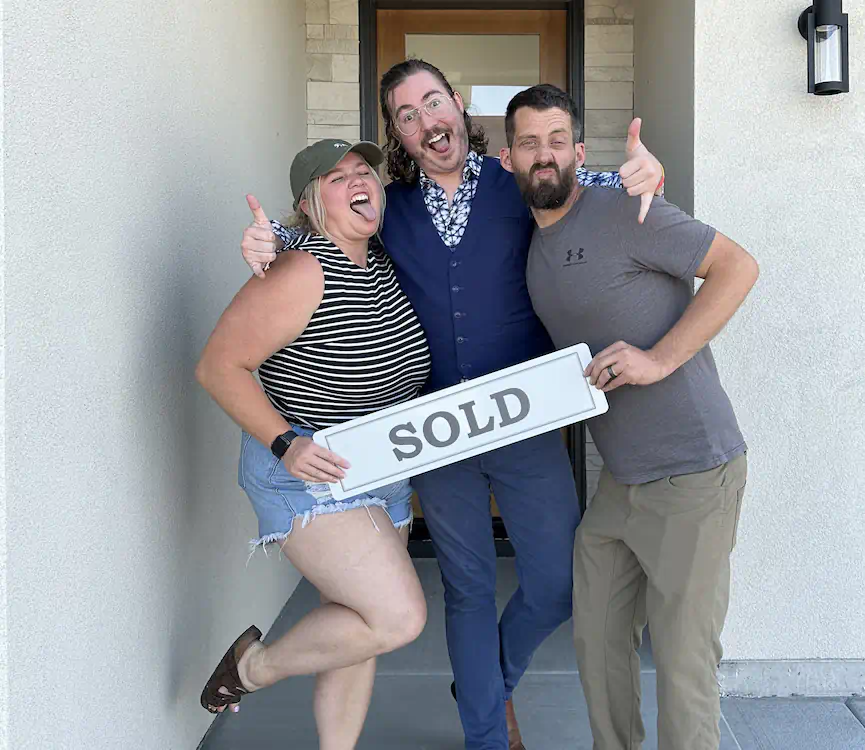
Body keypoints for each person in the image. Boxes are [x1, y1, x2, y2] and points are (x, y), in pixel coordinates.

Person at [239, 59, 665, 750]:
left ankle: (486, 686)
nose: (425, 121)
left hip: (526, 416)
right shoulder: (388, 206)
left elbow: (597, 185)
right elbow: (317, 233)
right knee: (465, 591)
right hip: (433, 434)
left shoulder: (516, 179)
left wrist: (638, 174)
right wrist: (271, 240)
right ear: (399, 136)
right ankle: (486, 737)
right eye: (406, 116)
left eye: (432, 102)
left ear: (456, 104)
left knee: (557, 582)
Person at [499, 84, 759, 750]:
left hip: (693, 471)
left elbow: (737, 266)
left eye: (557, 140)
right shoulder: (534, 251)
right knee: (598, 642)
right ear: (509, 159)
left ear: (578, 151)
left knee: (682, 665)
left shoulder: (626, 209)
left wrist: (660, 359)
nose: (544, 155)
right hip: (622, 481)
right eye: (529, 143)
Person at [196, 139, 431, 750]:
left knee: (358, 630)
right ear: (308, 203)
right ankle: (253, 668)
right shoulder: (303, 268)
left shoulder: (380, 259)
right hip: (305, 472)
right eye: (338, 177)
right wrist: (285, 444)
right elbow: (219, 367)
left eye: (365, 173)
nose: (361, 182)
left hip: (379, 467)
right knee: (396, 617)